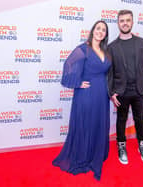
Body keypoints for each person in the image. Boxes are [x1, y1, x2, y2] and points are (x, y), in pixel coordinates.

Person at [52, 20, 111, 180]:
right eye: (98, 28)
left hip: (102, 95)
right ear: (93, 30)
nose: (100, 32)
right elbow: (68, 65)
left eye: (103, 30)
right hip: (86, 94)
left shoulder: (105, 51)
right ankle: (83, 155)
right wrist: (77, 83)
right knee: (86, 124)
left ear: (106, 34)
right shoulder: (83, 49)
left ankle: (95, 153)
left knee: (98, 124)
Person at [108, 10, 143, 165]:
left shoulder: (142, 43)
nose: (125, 23)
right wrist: (112, 92)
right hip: (121, 92)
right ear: (118, 23)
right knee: (121, 119)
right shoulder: (112, 47)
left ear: (132, 22)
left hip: (139, 90)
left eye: (128, 20)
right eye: (122, 20)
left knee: (139, 119)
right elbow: (110, 73)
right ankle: (121, 146)